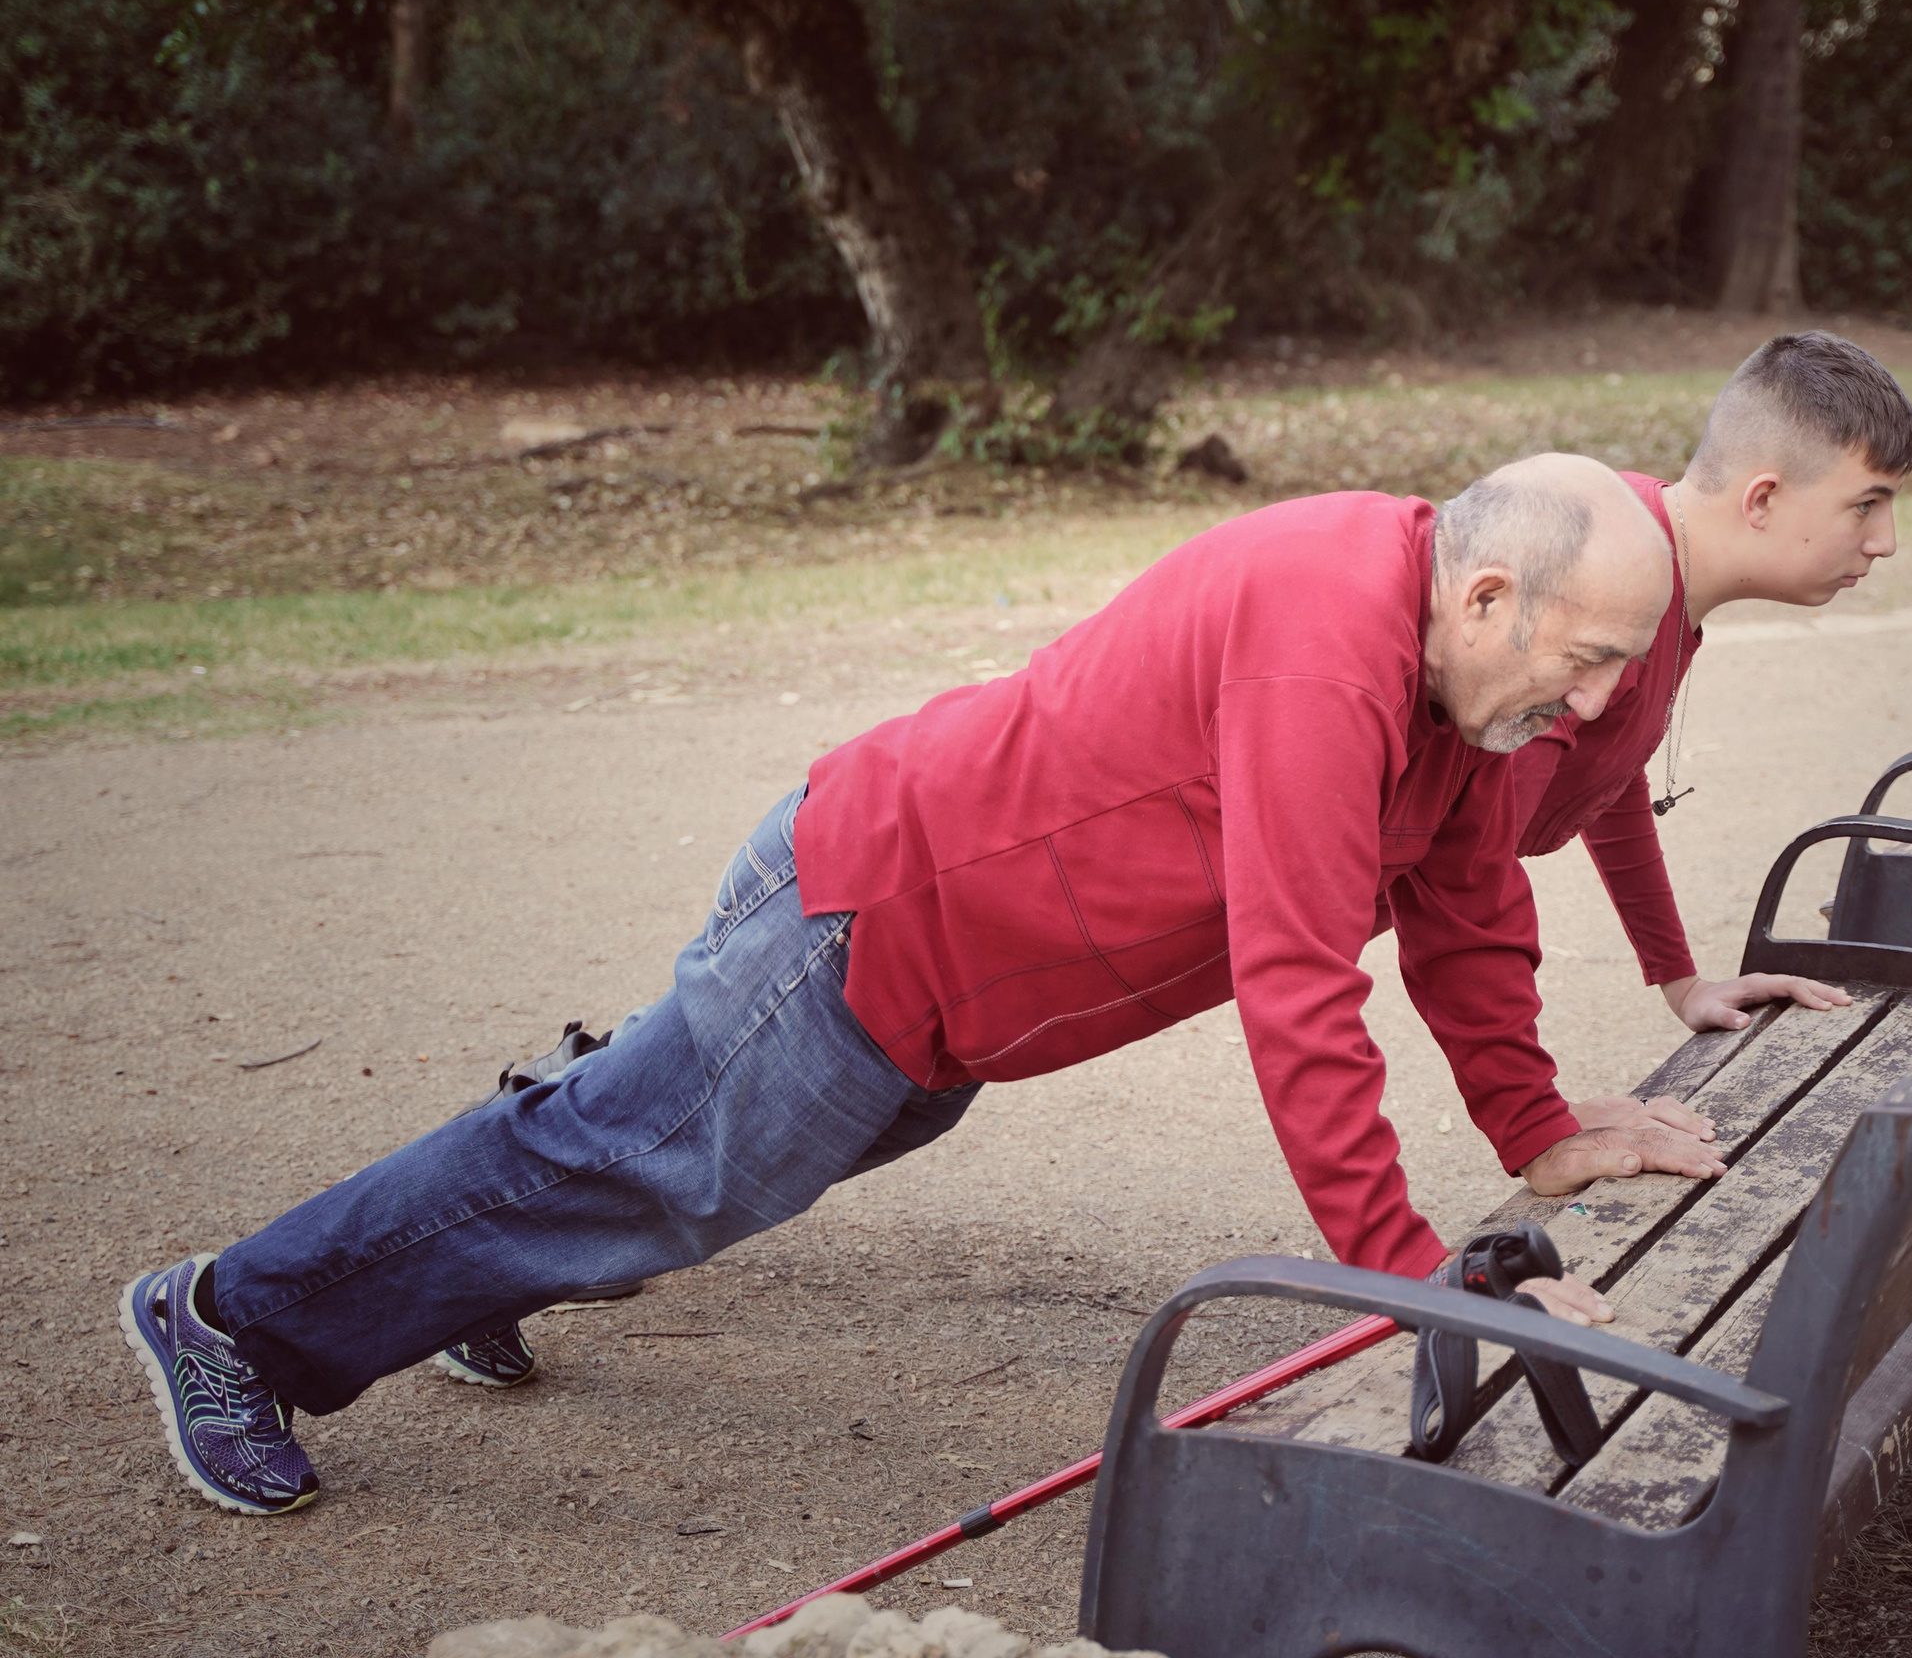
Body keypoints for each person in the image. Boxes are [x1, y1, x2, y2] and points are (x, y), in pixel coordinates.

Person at [119, 453, 1727, 1518]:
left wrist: (1539, 1119)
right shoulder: (1333, 645)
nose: (1594, 709)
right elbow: (1299, 979)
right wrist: (1405, 1273)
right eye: (1584, 662)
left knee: (640, 1160)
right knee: (655, 1176)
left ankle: (494, 1227)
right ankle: (227, 1319)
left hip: (961, 988)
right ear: (1487, 597)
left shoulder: (1473, 704)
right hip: (872, 922)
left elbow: (1464, 904)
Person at [1508, 332, 1912, 1032]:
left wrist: (1682, 982)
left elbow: (1605, 776)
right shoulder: (1596, 591)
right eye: (1865, 505)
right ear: (1760, 499)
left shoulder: (1658, 564)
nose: (1886, 540)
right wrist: (1538, 1121)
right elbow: (1467, 875)